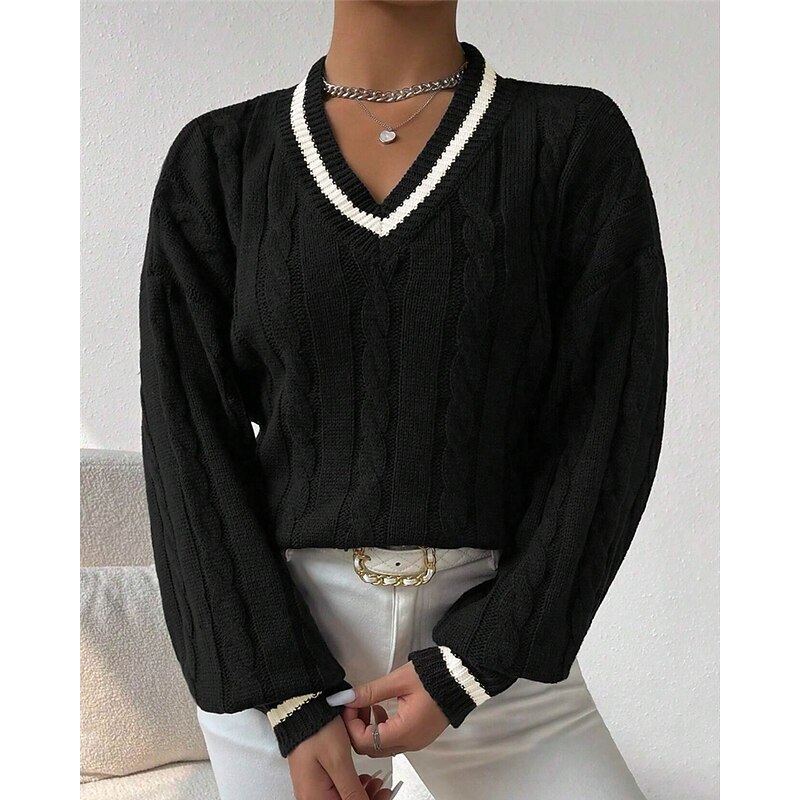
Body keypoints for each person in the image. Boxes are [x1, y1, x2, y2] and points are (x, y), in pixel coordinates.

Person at [137, 2, 669, 799]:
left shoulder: (571, 142)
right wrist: (285, 695)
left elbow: (610, 422)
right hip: (283, 655)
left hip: (492, 639)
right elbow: (188, 445)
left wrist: (476, 662)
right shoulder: (219, 160)